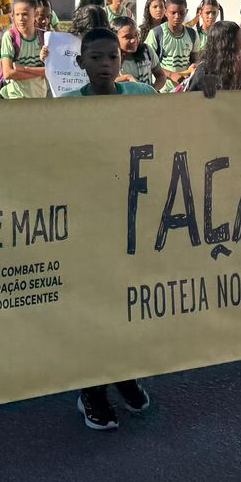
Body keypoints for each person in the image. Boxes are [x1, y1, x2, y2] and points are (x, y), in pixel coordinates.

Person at [66, 27, 154, 430]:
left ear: (122, 62)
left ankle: (123, 373)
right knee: (93, 307)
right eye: (96, 57)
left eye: (112, 57)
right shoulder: (62, 108)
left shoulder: (140, 96)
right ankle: (92, 390)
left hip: (134, 220)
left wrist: (203, 88)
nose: (104, 65)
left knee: (128, 303)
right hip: (87, 226)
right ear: (81, 62)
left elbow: (185, 119)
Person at [0, 0, 49, 99]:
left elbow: (50, 71)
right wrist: (39, 72)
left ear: (35, 14)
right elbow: (8, 73)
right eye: (17, 14)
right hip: (15, 97)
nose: (20, 18)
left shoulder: (44, 37)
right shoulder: (10, 36)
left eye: (25, 14)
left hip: (39, 96)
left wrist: (23, 69)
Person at [149, 0, 199, 91]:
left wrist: (194, 66)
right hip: (163, 90)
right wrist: (171, 74)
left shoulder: (192, 34)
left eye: (181, 13)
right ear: (165, 12)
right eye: (173, 13)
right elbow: (148, 63)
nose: (177, 16)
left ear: (186, 12)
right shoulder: (156, 33)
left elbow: (195, 58)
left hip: (185, 87)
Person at [114, 16, 157, 89]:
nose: (134, 40)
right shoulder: (110, 58)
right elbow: (105, 83)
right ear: (115, 38)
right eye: (128, 37)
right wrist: (127, 78)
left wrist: (150, 91)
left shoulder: (146, 51)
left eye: (136, 35)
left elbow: (160, 75)